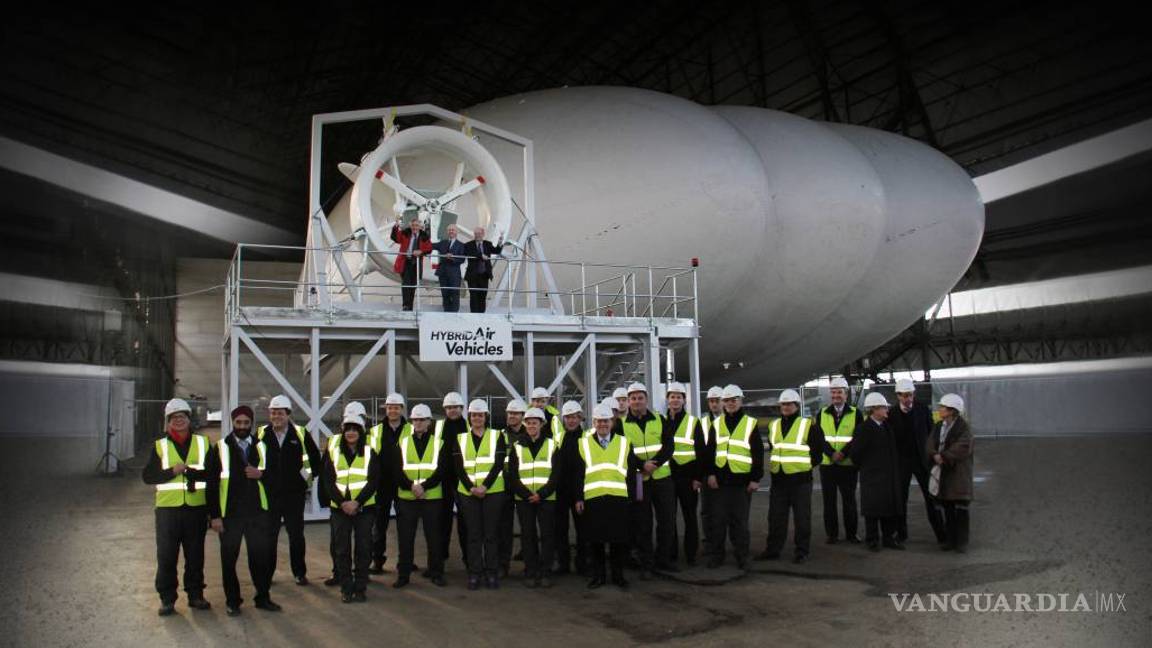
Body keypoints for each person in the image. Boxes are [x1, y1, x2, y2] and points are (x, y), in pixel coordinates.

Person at [205, 406, 278, 615]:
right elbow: (211, 485)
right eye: (239, 423)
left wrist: (260, 474)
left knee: (260, 559)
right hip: (230, 516)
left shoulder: (262, 447)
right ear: (233, 423)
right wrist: (215, 516)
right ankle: (232, 601)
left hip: (257, 514)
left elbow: (275, 479)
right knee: (229, 560)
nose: (243, 427)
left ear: (252, 424)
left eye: (247, 423)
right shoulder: (219, 448)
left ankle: (263, 597)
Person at [143, 398, 212, 616]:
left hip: (195, 509)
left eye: (182, 417)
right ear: (168, 422)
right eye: (174, 418)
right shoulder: (160, 446)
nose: (179, 421)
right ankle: (167, 599)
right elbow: (148, 476)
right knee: (166, 556)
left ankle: (195, 595)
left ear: (189, 420)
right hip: (168, 511)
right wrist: (172, 471)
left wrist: (192, 473)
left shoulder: (203, 443)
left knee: (195, 556)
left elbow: (212, 475)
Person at [574, 405, 643, 589]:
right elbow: (578, 474)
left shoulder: (624, 442)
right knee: (595, 540)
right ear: (593, 423)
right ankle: (599, 576)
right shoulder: (583, 443)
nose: (603, 424)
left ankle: (618, 576)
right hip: (593, 498)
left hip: (618, 498)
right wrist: (579, 498)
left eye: (606, 421)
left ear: (612, 422)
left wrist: (632, 496)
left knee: (618, 540)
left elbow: (631, 471)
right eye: (599, 421)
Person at [257, 394, 321, 586]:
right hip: (269, 495)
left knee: (296, 536)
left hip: (294, 495)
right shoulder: (261, 434)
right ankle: (267, 575)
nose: (276, 416)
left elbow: (315, 460)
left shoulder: (300, 434)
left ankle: (299, 573)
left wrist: (304, 480)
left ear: (288, 414)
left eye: (280, 413)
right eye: (273, 412)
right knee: (269, 536)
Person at [615, 382, 675, 577]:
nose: (636, 401)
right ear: (628, 401)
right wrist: (642, 466)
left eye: (640, 398)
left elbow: (669, 446)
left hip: (662, 478)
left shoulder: (660, 419)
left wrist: (654, 464)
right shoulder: (621, 425)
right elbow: (624, 451)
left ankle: (663, 560)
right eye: (633, 398)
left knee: (667, 521)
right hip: (640, 480)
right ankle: (646, 563)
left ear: (646, 400)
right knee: (643, 523)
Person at [758, 389, 824, 564]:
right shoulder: (774, 425)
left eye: (789, 404)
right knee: (775, 518)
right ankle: (773, 549)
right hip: (779, 480)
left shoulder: (808, 425)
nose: (786, 407)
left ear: (797, 405)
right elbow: (774, 448)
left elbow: (818, 450)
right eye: (783, 404)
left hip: (800, 480)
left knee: (802, 518)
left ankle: (801, 551)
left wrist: (806, 466)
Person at [321, 414, 382, 603]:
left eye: (355, 429)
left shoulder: (370, 452)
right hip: (340, 510)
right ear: (343, 431)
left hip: (364, 509)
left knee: (364, 549)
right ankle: (346, 588)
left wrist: (357, 503)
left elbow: (374, 480)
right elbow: (328, 481)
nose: (351, 433)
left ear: (361, 431)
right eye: (348, 429)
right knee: (342, 549)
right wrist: (343, 503)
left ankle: (360, 587)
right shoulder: (334, 452)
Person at [705, 385, 763, 569]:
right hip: (720, 481)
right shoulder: (716, 424)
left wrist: (755, 478)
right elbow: (710, 451)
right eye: (727, 400)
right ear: (723, 403)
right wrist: (711, 474)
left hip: (741, 482)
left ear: (740, 401)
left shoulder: (750, 423)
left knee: (740, 523)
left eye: (733, 400)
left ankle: (742, 556)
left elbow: (758, 453)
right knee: (718, 521)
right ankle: (717, 556)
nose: (730, 403)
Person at [393, 404, 450, 588]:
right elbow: (397, 470)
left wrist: (423, 486)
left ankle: (436, 572)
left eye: (422, 420)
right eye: (415, 420)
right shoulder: (402, 443)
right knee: (405, 538)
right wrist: (411, 486)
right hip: (407, 497)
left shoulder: (438, 443)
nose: (418, 423)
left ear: (429, 422)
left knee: (434, 537)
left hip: (431, 497)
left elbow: (442, 470)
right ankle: (403, 575)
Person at [455, 399, 508, 589]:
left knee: (491, 535)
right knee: (474, 535)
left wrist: (484, 486)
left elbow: (499, 463)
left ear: (486, 417)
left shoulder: (497, 436)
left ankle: (492, 573)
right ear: (469, 417)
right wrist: (471, 487)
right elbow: (459, 468)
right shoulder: (460, 439)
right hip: (468, 493)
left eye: (480, 415)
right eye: (474, 415)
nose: (477, 418)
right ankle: (475, 573)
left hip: (493, 492)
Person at [508, 408, 562, 588]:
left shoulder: (552, 445)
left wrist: (542, 494)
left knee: (547, 535)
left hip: (546, 498)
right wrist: (526, 494)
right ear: (525, 424)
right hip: (524, 500)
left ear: (541, 424)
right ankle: (531, 571)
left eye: (535, 422)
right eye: (529, 422)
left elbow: (556, 474)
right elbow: (513, 475)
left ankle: (545, 571)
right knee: (528, 535)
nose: (532, 425)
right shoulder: (516, 447)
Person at [844, 393, 904, 552]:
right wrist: (868, 467)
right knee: (873, 509)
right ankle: (872, 539)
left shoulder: (886, 427)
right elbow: (855, 453)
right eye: (884, 407)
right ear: (874, 410)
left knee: (887, 507)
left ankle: (888, 538)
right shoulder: (864, 429)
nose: (887, 410)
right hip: (872, 476)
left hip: (887, 475)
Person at [889, 379, 945, 544]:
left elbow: (932, 433)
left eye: (910, 395)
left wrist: (933, 454)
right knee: (901, 499)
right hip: (902, 462)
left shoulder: (923, 410)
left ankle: (941, 535)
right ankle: (901, 534)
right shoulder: (892, 414)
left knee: (931, 498)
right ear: (898, 396)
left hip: (923, 461)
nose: (908, 399)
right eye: (905, 396)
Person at [818, 377, 862, 545]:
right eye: (833, 392)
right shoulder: (822, 413)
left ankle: (851, 534)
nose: (836, 395)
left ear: (846, 394)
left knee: (849, 501)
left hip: (847, 465)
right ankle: (832, 534)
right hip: (828, 465)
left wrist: (843, 453)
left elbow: (857, 437)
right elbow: (820, 438)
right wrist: (831, 453)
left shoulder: (855, 413)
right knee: (829, 502)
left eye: (839, 392)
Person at [928, 394, 974, 553]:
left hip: (958, 473)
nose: (939, 409)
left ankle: (961, 542)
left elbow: (963, 446)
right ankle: (950, 540)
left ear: (952, 410)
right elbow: (930, 442)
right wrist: (934, 454)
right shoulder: (939, 425)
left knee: (960, 508)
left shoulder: (963, 428)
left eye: (942, 407)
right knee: (948, 507)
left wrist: (943, 456)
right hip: (945, 472)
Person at [368, 394, 407, 575]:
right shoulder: (375, 431)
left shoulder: (410, 429)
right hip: (381, 485)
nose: (393, 410)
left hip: (403, 484)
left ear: (402, 409)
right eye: (390, 407)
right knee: (379, 525)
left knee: (405, 526)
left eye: (396, 407)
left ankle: (405, 561)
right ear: (386, 409)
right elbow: (371, 459)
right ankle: (378, 561)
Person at [664, 382, 702, 566]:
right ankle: (671, 553)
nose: (675, 400)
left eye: (679, 397)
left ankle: (691, 554)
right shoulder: (662, 421)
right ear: (667, 400)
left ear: (684, 400)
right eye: (672, 396)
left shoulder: (694, 422)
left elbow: (701, 452)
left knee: (690, 517)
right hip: (668, 477)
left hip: (688, 477)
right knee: (669, 518)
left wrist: (698, 478)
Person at [553, 400, 588, 575]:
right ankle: (563, 564)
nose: (571, 421)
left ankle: (582, 564)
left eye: (574, 417)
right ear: (564, 419)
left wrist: (580, 496)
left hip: (580, 491)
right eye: (568, 417)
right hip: (560, 492)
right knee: (561, 529)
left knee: (583, 530)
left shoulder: (588, 438)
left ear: (580, 418)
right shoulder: (558, 438)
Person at [437, 392, 468, 566]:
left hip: (464, 480)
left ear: (461, 408)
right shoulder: (438, 427)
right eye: (449, 408)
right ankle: (441, 556)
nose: (452, 410)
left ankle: (468, 557)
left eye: (455, 407)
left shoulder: (469, 426)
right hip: (443, 479)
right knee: (443, 521)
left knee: (465, 521)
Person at [499, 398, 528, 576]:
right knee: (504, 529)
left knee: (528, 528)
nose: (512, 416)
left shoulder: (530, 434)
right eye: (510, 413)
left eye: (516, 413)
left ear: (523, 416)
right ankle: (503, 566)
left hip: (525, 486)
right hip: (505, 486)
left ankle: (529, 564)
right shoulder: (500, 435)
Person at [391, 216, 433, 311]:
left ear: (420, 227)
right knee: (406, 283)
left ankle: (410, 306)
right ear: (411, 226)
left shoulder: (424, 236)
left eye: (416, 225)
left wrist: (421, 251)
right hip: (405, 262)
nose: (414, 227)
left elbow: (429, 248)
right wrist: (396, 225)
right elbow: (395, 237)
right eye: (413, 225)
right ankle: (406, 305)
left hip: (416, 264)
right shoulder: (406, 233)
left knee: (413, 285)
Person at [462, 226, 501, 313]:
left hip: (484, 275)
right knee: (474, 297)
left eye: (479, 234)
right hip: (472, 276)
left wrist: (500, 242)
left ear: (483, 234)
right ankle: (474, 316)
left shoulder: (488, 244)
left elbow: (497, 251)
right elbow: (470, 252)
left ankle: (481, 316)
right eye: (476, 234)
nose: (477, 235)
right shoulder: (468, 244)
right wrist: (481, 255)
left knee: (482, 296)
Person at [430, 224, 466, 312]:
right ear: (447, 232)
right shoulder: (442, 243)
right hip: (443, 273)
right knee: (445, 293)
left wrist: (452, 257)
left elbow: (462, 259)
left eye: (453, 230)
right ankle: (446, 312)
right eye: (449, 230)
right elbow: (430, 245)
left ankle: (454, 313)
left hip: (454, 274)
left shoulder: (461, 245)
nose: (451, 231)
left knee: (454, 293)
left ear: (456, 232)